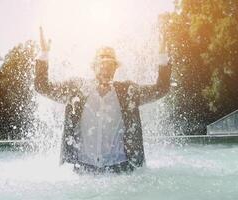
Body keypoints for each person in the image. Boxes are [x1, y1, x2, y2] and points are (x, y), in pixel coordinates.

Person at [34, 27, 172, 173]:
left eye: (111, 65)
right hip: (82, 170)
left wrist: (163, 55)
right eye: (102, 65)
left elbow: (161, 89)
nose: (106, 70)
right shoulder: (76, 89)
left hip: (121, 170)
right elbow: (42, 87)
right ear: (94, 67)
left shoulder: (128, 91)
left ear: (115, 69)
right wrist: (44, 53)